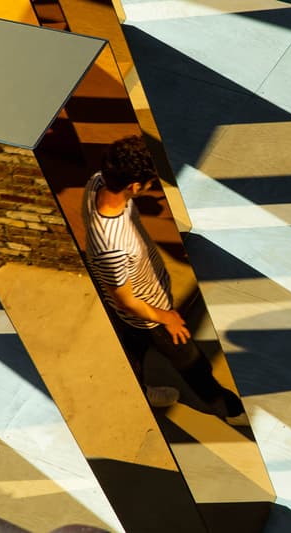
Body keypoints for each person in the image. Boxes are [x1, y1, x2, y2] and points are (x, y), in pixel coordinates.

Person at [82, 135, 248, 425]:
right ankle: (230, 410)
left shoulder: (97, 182)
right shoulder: (111, 245)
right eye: (149, 182)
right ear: (133, 186)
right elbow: (125, 299)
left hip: (138, 300)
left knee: (132, 351)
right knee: (192, 363)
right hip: (149, 313)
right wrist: (166, 317)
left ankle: (144, 391)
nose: (151, 186)